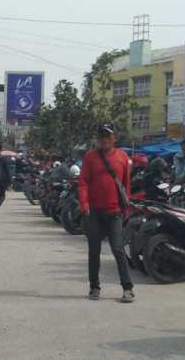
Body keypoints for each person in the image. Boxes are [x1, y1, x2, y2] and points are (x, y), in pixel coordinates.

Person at [78, 123, 134, 303]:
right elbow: (84, 182)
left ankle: (127, 288)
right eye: (101, 135)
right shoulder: (89, 157)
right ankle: (94, 287)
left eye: (107, 135)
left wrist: (126, 206)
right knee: (94, 251)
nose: (104, 139)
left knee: (118, 249)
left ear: (114, 137)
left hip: (114, 211)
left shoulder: (122, 156)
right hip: (94, 212)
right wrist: (84, 202)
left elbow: (125, 184)